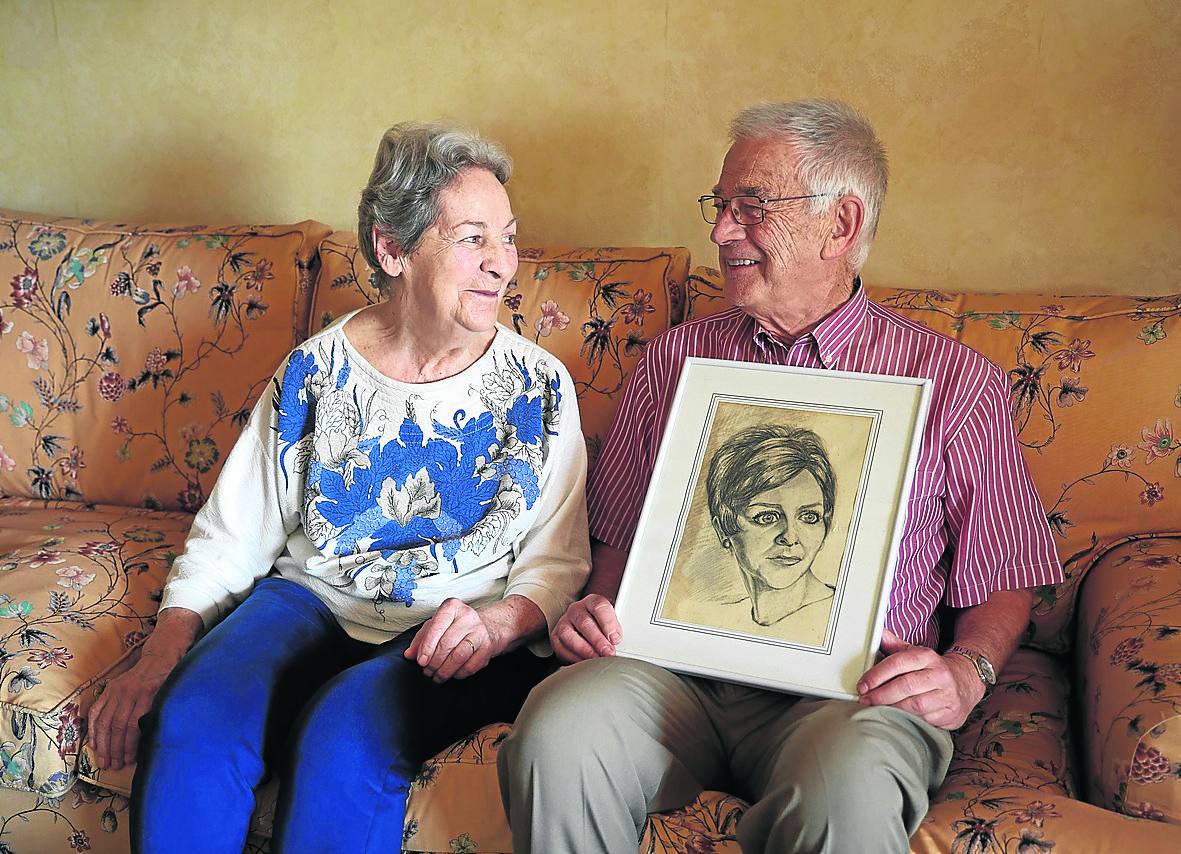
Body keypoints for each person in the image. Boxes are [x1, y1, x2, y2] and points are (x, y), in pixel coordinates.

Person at [498, 99, 1063, 854]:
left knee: (846, 785)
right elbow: (619, 538)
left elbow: (1004, 574)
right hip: (671, 679)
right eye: (720, 206)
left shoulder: (954, 384)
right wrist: (595, 606)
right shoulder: (674, 362)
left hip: (848, 694)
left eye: (750, 207)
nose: (721, 230)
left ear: (841, 225)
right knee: (559, 731)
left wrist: (967, 671)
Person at [85, 121, 591, 854]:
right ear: (392, 248)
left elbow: (558, 563)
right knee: (193, 715)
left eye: (507, 238)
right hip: (315, 596)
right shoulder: (315, 371)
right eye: (472, 239)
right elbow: (235, 532)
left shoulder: (538, 387)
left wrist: (497, 625)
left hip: (461, 622)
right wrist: (163, 651)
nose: (502, 266)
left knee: (342, 734)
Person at [706, 423, 836, 632]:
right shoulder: (716, 621)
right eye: (767, 517)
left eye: (809, 517)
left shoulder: (841, 619)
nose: (790, 536)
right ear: (723, 529)